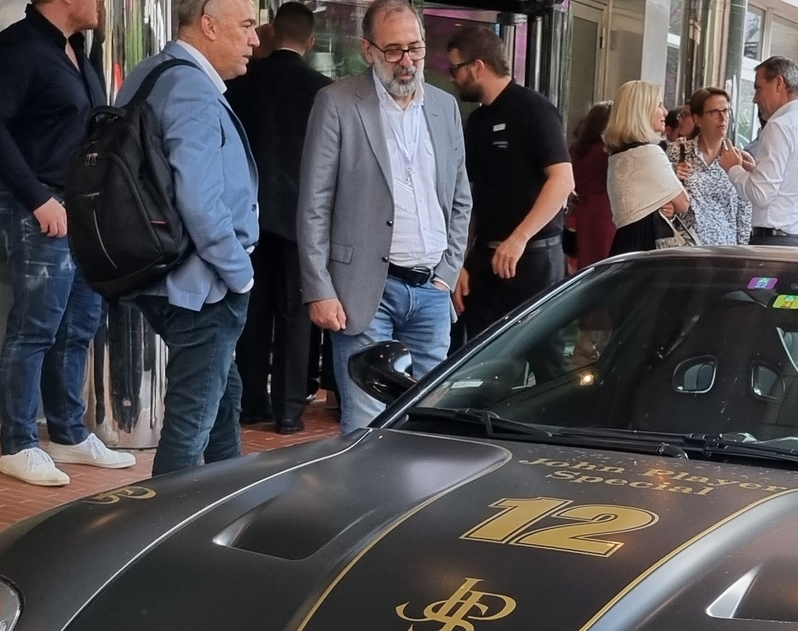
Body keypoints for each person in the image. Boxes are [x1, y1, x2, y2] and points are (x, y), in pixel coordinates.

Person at [0, 0, 136, 485]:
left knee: (78, 326)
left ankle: (68, 433)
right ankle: (18, 443)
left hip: (81, 211)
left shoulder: (76, 50)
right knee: (34, 328)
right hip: (39, 211)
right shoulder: (19, 46)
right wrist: (37, 198)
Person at [299, 0, 473, 434]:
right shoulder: (337, 103)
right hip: (363, 291)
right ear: (368, 50)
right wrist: (319, 287)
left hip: (431, 291)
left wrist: (447, 273)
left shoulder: (444, 107)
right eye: (393, 50)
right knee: (366, 422)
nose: (407, 61)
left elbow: (460, 200)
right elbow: (314, 203)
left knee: (429, 423)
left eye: (414, 48)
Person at [118, 0, 261, 475]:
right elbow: (199, 199)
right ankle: (159, 530)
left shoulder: (148, 73)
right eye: (245, 26)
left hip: (160, 273)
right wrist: (239, 274)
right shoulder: (192, 88)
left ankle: (228, 497)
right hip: (203, 285)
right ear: (208, 26)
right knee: (192, 420)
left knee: (224, 394)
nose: (255, 40)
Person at [224, 2, 330, 433]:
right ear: (311, 41)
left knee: (253, 309)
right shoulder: (323, 91)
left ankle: (251, 401)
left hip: (249, 214)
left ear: (270, 31)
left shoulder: (243, 83)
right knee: (294, 313)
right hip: (301, 217)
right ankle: (288, 411)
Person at [447, 24, 573, 341]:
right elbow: (470, 196)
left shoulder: (534, 109)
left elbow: (562, 179)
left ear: (477, 67)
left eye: (455, 68)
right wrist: (461, 261)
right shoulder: (476, 122)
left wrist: (518, 238)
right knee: (480, 356)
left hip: (532, 257)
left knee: (544, 354)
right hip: (484, 259)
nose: (452, 78)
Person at [718, 56, 798, 246]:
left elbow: (761, 194)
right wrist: (753, 170)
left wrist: (733, 168)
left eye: (758, 88)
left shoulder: (779, 126)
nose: (755, 98)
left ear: (779, 83)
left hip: (777, 243)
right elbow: (793, 181)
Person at [604, 79, 691, 255]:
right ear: (642, 111)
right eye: (659, 105)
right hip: (648, 245)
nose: (665, 112)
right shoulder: (650, 153)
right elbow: (683, 203)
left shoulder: (618, 156)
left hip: (624, 244)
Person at [673, 87, 749, 246]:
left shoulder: (737, 159)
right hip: (685, 251)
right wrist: (674, 177)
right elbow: (663, 203)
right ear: (697, 119)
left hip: (725, 253)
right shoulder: (678, 153)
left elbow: (744, 215)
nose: (723, 118)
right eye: (715, 112)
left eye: (726, 111)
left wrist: (743, 255)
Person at [567, 103, 615, 269]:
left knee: (584, 264)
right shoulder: (609, 152)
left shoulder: (577, 149)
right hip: (608, 213)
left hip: (583, 212)